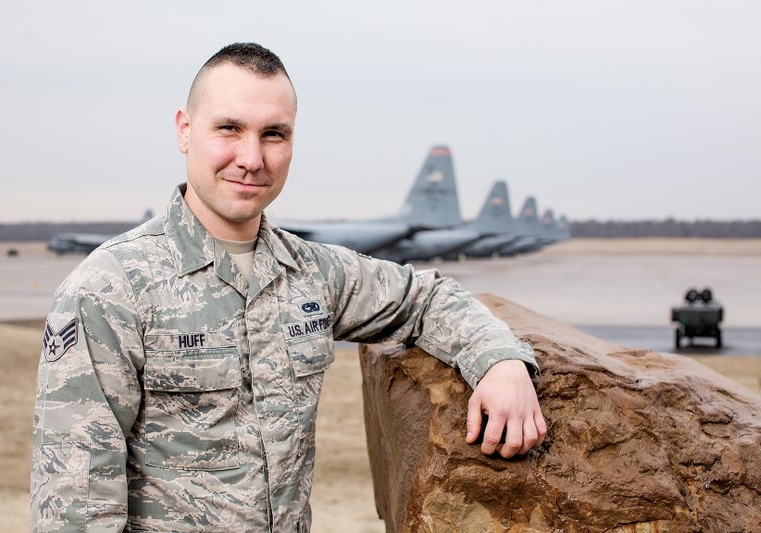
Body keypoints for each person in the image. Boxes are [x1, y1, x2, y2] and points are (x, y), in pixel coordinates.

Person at [31, 42, 546, 532]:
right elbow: (75, 503)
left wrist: (499, 362)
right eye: (228, 128)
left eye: (274, 134)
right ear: (184, 130)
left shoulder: (312, 274)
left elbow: (424, 296)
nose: (252, 158)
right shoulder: (110, 289)